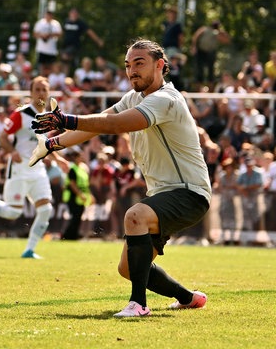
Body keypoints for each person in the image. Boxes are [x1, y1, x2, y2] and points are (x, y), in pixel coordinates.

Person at [29, 39, 211, 317]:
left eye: (139, 63)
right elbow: (100, 121)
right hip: (164, 195)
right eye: (128, 65)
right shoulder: (134, 97)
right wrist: (52, 144)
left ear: (160, 65)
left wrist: (65, 119)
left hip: (189, 193)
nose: (131, 71)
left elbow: (113, 125)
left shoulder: (166, 99)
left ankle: (138, 304)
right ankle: (188, 298)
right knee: (128, 268)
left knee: (134, 216)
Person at [0, 76, 57, 259]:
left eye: (44, 90)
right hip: (19, 168)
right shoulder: (21, 114)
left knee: (46, 210)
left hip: (38, 170)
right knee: (13, 213)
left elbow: (44, 143)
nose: (41, 93)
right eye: (37, 89)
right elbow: (2, 138)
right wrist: (12, 151)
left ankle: (29, 250)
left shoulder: (50, 117)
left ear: (48, 93)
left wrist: (58, 158)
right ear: (30, 93)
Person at [61, 147, 92, 240]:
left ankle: (73, 235)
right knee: (75, 217)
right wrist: (80, 194)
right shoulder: (73, 169)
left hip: (79, 197)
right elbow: (72, 184)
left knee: (77, 217)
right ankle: (67, 236)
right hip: (73, 197)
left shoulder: (81, 169)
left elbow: (85, 185)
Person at [61, 8, 104, 75]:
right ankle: (65, 77)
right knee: (66, 63)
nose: (74, 15)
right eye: (72, 13)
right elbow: (61, 32)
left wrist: (98, 40)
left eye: (75, 13)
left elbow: (89, 32)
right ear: (69, 14)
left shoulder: (80, 23)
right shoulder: (66, 22)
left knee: (65, 57)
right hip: (65, 45)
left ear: (78, 15)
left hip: (74, 46)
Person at [190, 20, 231, 87]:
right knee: (199, 71)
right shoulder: (204, 29)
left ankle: (210, 88)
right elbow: (196, 36)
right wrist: (194, 46)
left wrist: (223, 33)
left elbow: (227, 40)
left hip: (211, 52)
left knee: (211, 72)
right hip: (201, 51)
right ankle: (199, 88)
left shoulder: (218, 33)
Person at [33, 10, 62, 76]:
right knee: (41, 67)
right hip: (42, 49)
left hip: (51, 50)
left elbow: (60, 34)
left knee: (51, 67)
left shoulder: (56, 24)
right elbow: (35, 34)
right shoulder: (40, 23)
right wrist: (42, 35)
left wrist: (50, 35)